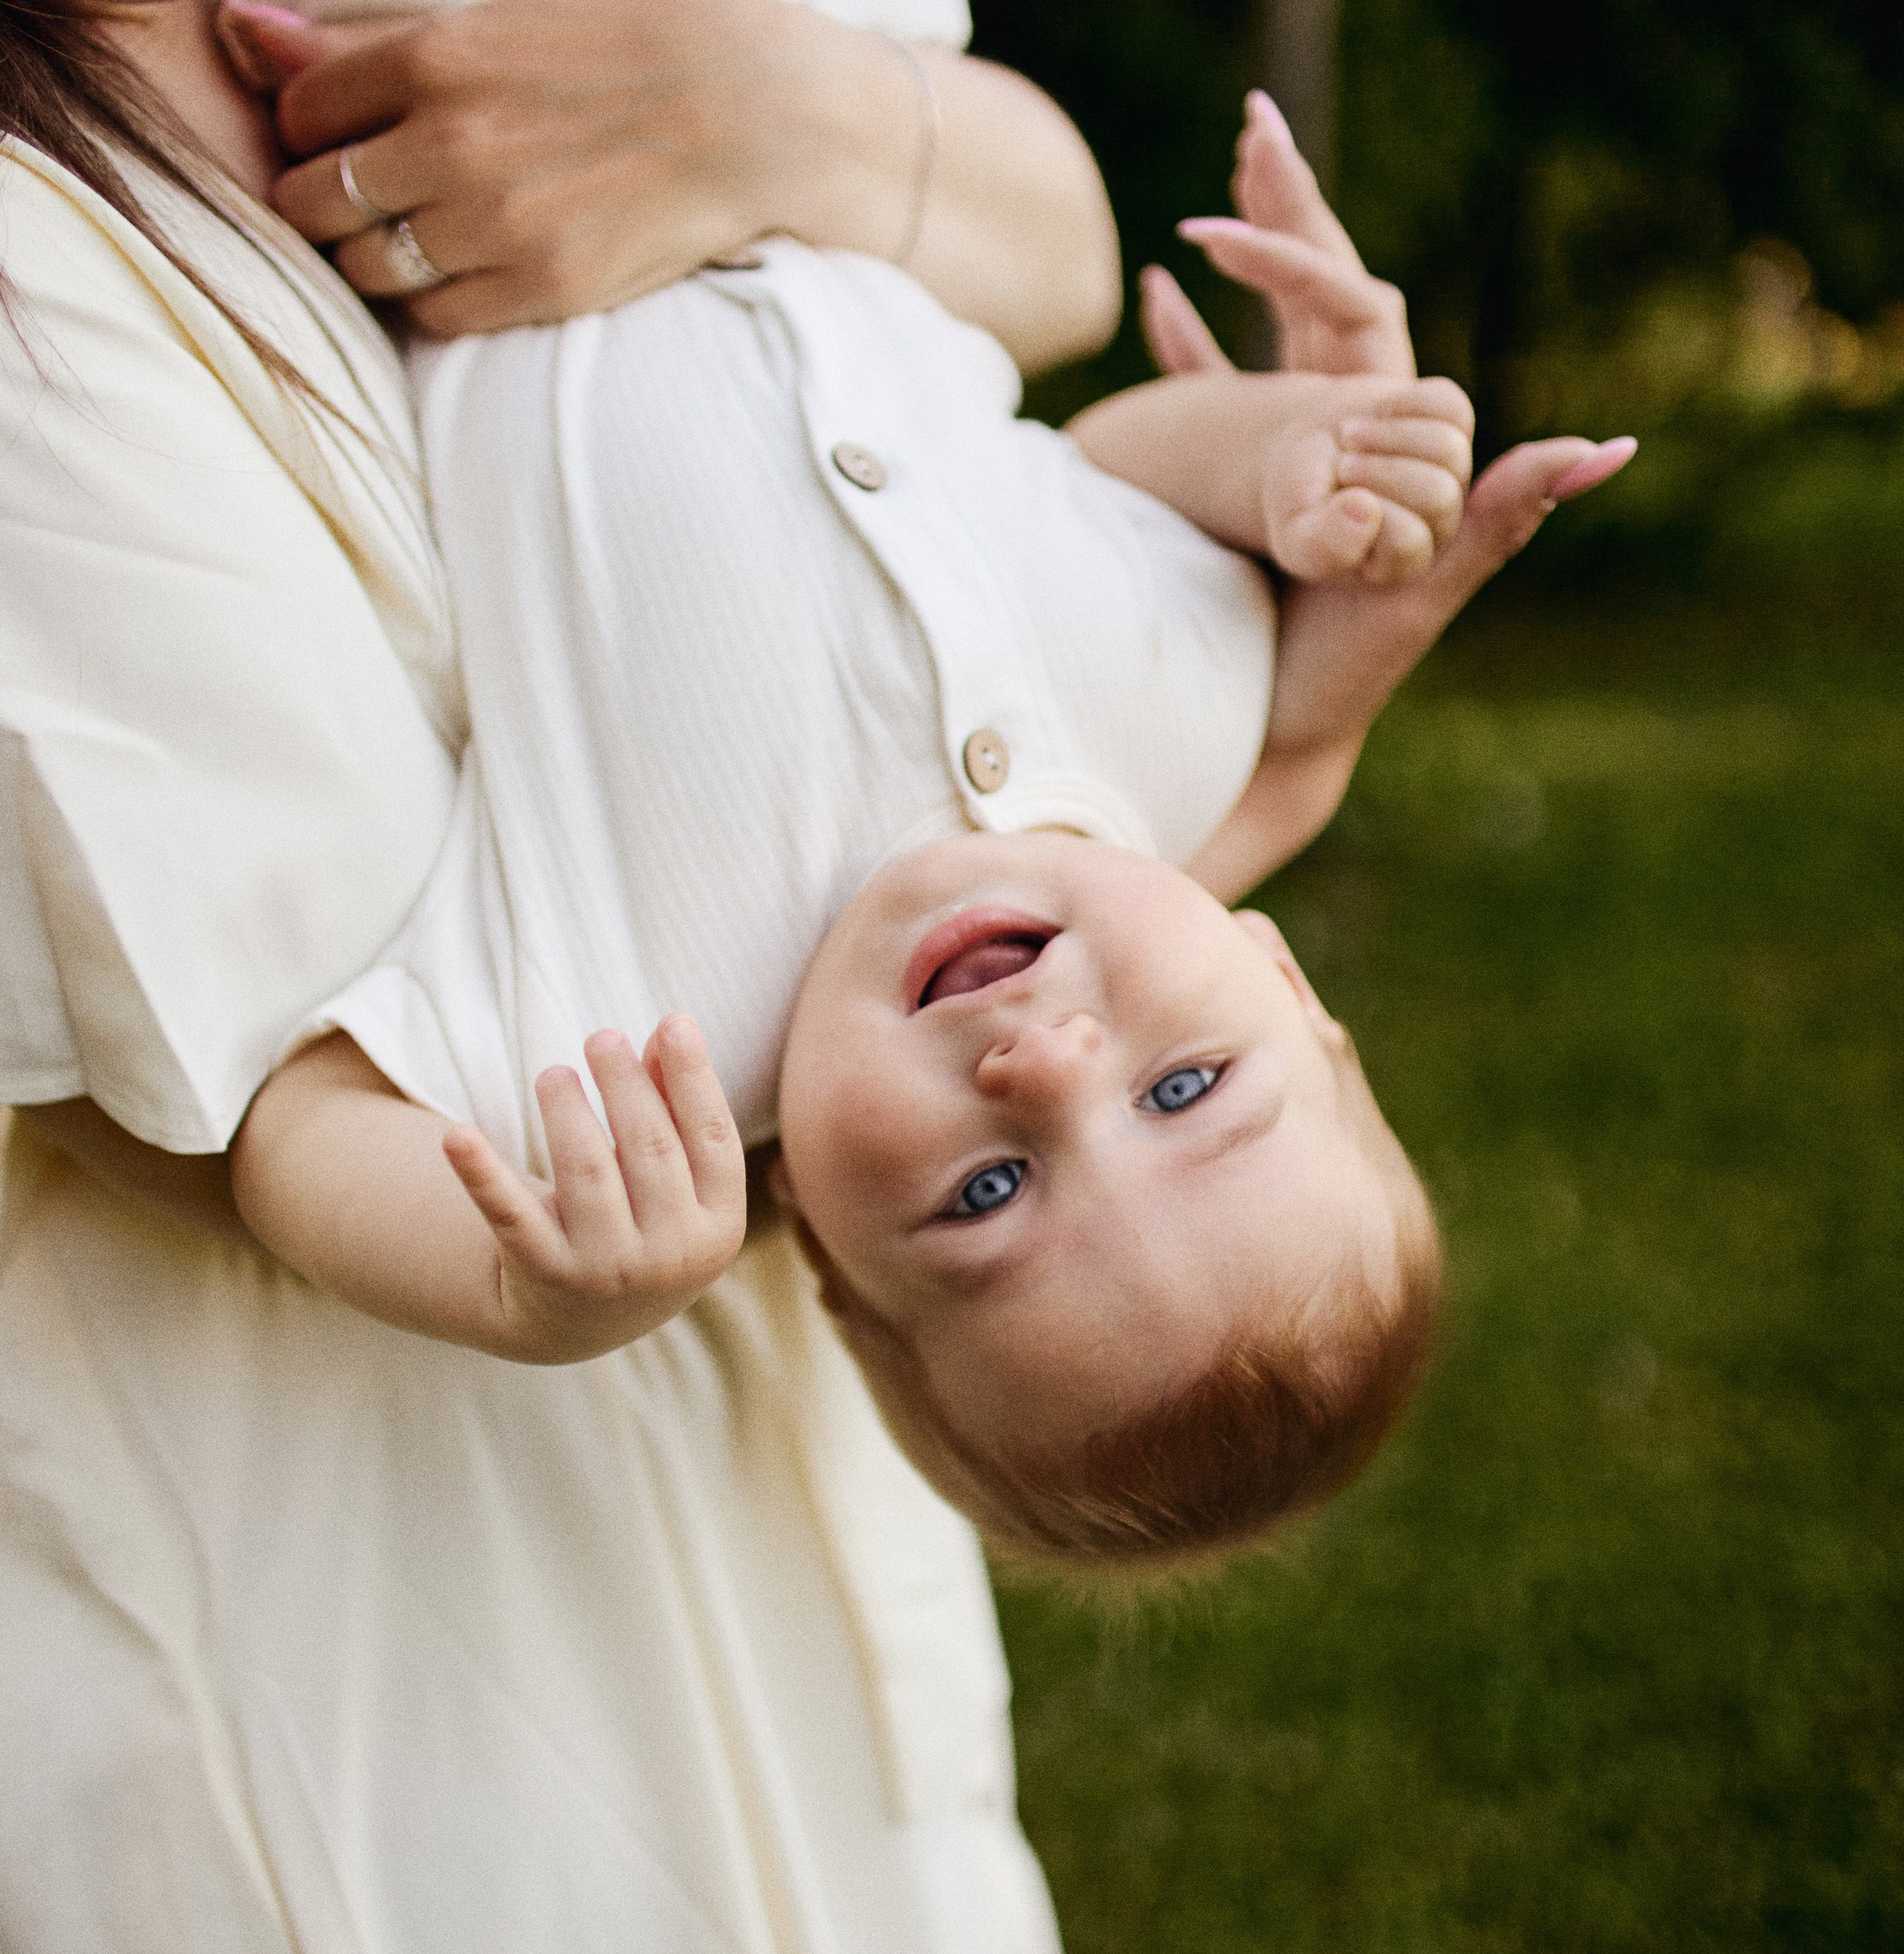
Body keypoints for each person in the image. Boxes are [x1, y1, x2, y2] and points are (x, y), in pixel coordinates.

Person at [0, 0, 1126, 1944]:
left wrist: (749, 111)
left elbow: (1058, 249)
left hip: (798, 1521)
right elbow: (310, 1079)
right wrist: (1258, 768)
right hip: (347, 1610)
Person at [224, 91, 1629, 1563]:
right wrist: (1280, 458)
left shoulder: (633, 1039)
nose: (1046, 1065)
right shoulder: (1186, 730)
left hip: (459, 147)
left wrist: (537, 1299)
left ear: (831, 1260)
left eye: (988, 1192)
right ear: (1281, 980)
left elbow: (289, 1127)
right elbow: (1090, 474)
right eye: (1185, 1090)